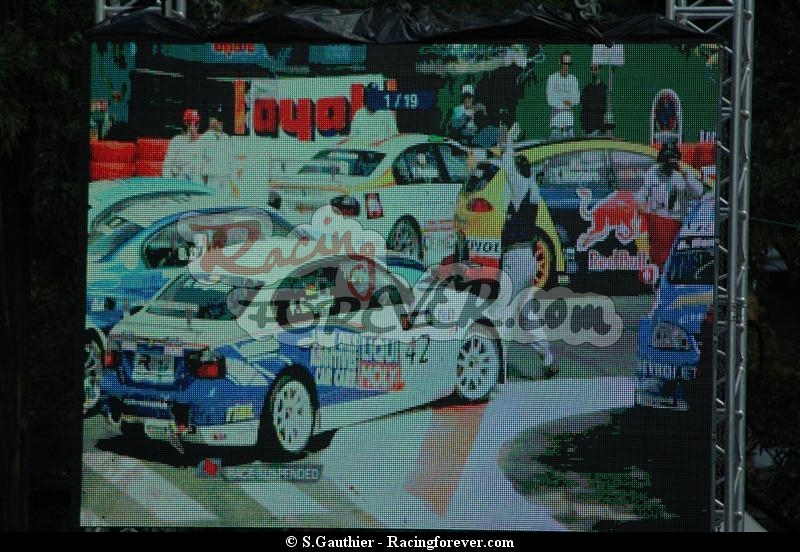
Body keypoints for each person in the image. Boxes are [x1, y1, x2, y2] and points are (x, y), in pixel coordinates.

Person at [497, 133, 557, 376]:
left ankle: (498, 367)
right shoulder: (532, 188)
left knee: (502, 312)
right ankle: (548, 357)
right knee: (526, 313)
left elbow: (508, 165)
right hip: (528, 258)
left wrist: (508, 143)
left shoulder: (521, 187)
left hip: (516, 259)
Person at [635, 142, 705, 269]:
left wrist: (686, 175)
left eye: (671, 162)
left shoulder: (682, 176)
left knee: (674, 260)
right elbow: (642, 193)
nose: (667, 166)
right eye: (665, 162)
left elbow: (699, 192)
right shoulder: (654, 172)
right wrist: (641, 205)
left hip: (676, 224)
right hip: (657, 223)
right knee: (657, 259)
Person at [199, 105, 237, 194]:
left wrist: (232, 180)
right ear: (211, 120)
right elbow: (199, 159)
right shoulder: (205, 138)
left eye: (221, 120)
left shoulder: (227, 138)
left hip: (225, 178)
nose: (220, 122)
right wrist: (202, 179)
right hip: (211, 177)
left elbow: (231, 160)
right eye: (217, 119)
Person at [546, 51, 580, 139]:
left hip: (569, 123)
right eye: (564, 63)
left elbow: (576, 100)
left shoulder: (573, 79)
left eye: (568, 63)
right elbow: (550, 100)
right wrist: (566, 102)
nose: (566, 66)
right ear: (560, 62)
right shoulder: (552, 78)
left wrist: (560, 100)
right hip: (556, 122)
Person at [162, 108, 203, 180]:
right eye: (192, 123)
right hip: (179, 180)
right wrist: (169, 182)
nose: (195, 126)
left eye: (196, 123)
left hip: (195, 181)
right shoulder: (177, 141)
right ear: (186, 123)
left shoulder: (202, 142)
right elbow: (167, 165)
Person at [580, 65, 610, 137]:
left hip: (600, 129)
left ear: (599, 70)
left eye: (596, 69)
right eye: (592, 69)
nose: (594, 72)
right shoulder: (586, 89)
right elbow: (583, 109)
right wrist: (584, 127)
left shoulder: (604, 88)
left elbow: (605, 108)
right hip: (589, 129)